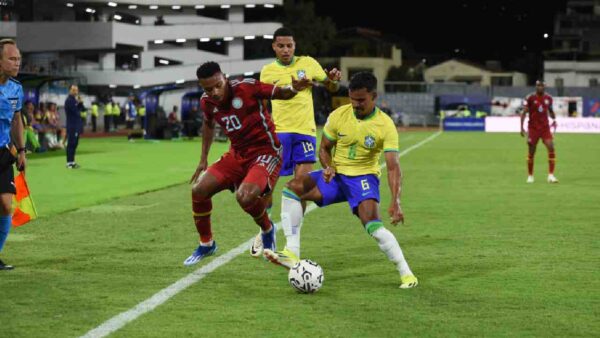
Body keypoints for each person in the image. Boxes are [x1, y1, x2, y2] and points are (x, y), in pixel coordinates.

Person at [263, 72, 418, 289]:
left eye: (361, 101)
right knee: (293, 188)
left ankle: (406, 274)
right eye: (352, 100)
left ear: (374, 96)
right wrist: (328, 167)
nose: (355, 105)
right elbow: (324, 148)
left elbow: (393, 167)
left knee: (373, 226)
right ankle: (291, 251)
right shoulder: (339, 115)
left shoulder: (385, 125)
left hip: (363, 178)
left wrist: (396, 201)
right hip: (336, 176)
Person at [183, 61, 310, 266]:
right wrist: (203, 159)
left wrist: (294, 87)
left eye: (218, 85)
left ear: (225, 77)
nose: (214, 92)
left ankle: (267, 229)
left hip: (266, 152)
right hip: (237, 154)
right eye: (208, 88)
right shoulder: (207, 102)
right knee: (198, 190)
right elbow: (208, 125)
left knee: (245, 196)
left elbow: (281, 93)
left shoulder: (247, 87)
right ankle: (207, 244)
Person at [252, 27, 341, 257]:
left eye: (289, 45)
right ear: (274, 46)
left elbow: (332, 87)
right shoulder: (267, 71)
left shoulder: (308, 63)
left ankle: (293, 243)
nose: (285, 50)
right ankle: (265, 229)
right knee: (267, 187)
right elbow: (261, 103)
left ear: (295, 45)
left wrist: (332, 80)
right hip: (279, 133)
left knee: (302, 185)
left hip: (305, 133)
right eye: (280, 46)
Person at [0, 39, 27, 270]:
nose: (17, 62)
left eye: (18, 58)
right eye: (11, 58)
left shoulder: (16, 88)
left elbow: (17, 120)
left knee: (6, 205)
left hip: (3, 153)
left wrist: (21, 150)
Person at [520, 80, 558, 183]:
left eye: (541, 85)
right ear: (536, 86)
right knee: (531, 152)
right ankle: (530, 176)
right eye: (538, 85)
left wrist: (554, 118)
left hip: (545, 128)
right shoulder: (530, 98)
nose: (540, 87)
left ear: (544, 87)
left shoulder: (549, 98)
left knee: (551, 147)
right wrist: (521, 127)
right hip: (533, 128)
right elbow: (524, 113)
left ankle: (551, 175)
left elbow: (550, 111)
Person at [65, 84, 82, 168]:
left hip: (76, 125)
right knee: (71, 144)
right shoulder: (69, 100)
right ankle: (69, 162)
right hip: (72, 125)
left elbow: (82, 109)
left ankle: (72, 161)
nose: (75, 92)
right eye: (73, 90)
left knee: (75, 144)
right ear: (70, 90)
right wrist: (78, 104)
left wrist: (80, 103)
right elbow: (75, 111)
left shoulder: (74, 100)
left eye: (76, 90)